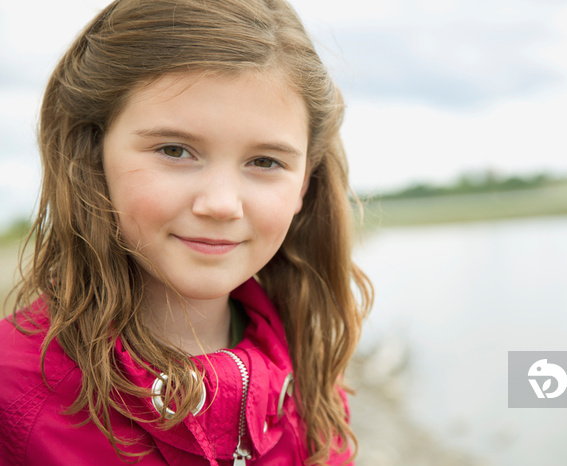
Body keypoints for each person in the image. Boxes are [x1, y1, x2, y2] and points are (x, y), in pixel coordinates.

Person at [0, 0, 372, 464]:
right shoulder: (12, 399)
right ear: (92, 155)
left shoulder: (311, 378)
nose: (220, 204)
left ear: (305, 181)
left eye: (264, 162)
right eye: (175, 150)